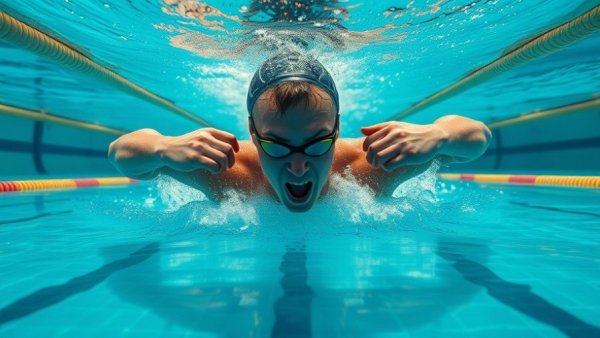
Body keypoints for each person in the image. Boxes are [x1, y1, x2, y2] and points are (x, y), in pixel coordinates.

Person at [109, 51, 491, 212]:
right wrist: (161, 147)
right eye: (276, 145)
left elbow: (477, 138)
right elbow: (121, 153)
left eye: (317, 143)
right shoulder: (228, 169)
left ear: (338, 129)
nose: (296, 167)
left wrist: (438, 135)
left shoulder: (368, 164)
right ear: (253, 134)